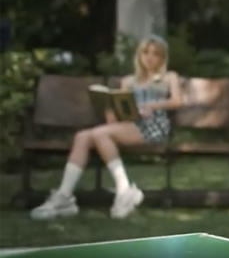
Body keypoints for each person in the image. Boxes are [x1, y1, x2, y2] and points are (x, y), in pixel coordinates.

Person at [30, 34, 182, 220]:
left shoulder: (168, 77)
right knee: (83, 137)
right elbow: (123, 109)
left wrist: (153, 106)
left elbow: (177, 101)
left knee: (99, 134)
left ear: (162, 57)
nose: (150, 57)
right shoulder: (128, 81)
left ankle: (124, 190)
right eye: (146, 53)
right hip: (130, 124)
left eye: (155, 54)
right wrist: (111, 110)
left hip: (154, 126)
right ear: (139, 55)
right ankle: (64, 196)